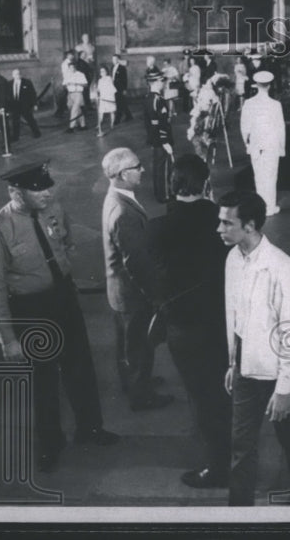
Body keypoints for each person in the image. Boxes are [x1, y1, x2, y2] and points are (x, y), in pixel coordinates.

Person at [0, 162, 119, 473]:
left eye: (48, 186)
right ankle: (50, 443)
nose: (48, 192)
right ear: (15, 192)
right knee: (43, 379)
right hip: (31, 309)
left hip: (63, 298)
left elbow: (65, 239)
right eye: (38, 189)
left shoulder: (54, 208)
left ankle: (90, 429)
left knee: (80, 364)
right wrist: (8, 338)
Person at [218, 190, 290, 506]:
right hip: (246, 366)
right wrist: (234, 363)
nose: (219, 229)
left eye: (225, 223)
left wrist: (285, 388)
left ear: (248, 226)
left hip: (277, 371)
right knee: (241, 445)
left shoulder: (283, 269)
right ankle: (240, 514)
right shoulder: (233, 259)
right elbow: (237, 319)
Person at [147, 155, 232, 489]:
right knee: (221, 389)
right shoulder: (221, 219)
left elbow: (156, 278)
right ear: (206, 182)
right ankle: (230, 451)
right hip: (222, 319)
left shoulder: (158, 228)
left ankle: (217, 466)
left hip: (184, 325)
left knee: (200, 393)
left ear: (172, 185)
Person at [101, 148, 173, 411]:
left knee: (129, 343)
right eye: (137, 166)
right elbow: (136, 262)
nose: (142, 170)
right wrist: (156, 295)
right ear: (122, 174)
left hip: (119, 290)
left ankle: (133, 382)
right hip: (132, 293)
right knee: (139, 343)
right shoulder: (123, 212)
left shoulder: (116, 198)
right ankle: (141, 396)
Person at [239, 70, 286, 215]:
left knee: (258, 175)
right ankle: (270, 207)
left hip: (256, 144)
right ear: (269, 86)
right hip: (271, 144)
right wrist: (282, 147)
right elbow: (280, 128)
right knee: (271, 175)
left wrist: (247, 143)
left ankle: (261, 206)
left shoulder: (248, 103)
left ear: (256, 85)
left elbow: (244, 127)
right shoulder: (275, 105)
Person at [144, 70, 174, 203]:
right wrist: (165, 141)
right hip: (161, 140)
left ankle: (160, 193)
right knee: (164, 167)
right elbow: (157, 123)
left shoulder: (149, 98)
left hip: (155, 139)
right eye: (162, 81)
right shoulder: (156, 100)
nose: (163, 83)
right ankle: (165, 194)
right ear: (156, 82)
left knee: (158, 166)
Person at [6, 68, 42, 141]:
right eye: (15, 74)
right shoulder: (9, 83)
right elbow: (8, 95)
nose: (17, 75)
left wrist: (35, 104)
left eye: (18, 74)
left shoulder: (27, 82)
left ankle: (37, 132)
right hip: (14, 106)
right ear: (13, 75)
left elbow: (33, 93)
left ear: (20, 74)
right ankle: (15, 137)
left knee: (30, 119)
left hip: (25, 106)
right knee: (15, 122)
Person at [64, 61, 88, 133]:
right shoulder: (67, 75)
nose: (72, 69)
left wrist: (76, 84)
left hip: (78, 93)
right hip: (70, 94)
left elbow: (86, 85)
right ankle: (83, 125)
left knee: (74, 110)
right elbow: (64, 85)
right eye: (70, 67)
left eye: (73, 67)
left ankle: (71, 127)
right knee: (77, 109)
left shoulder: (80, 74)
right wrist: (67, 85)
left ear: (75, 67)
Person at [95, 64, 116, 137]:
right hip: (102, 97)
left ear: (106, 72)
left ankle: (112, 124)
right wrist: (96, 91)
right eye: (101, 71)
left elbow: (110, 87)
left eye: (103, 71)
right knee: (101, 112)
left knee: (111, 111)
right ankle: (99, 124)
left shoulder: (109, 78)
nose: (102, 73)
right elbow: (99, 88)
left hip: (109, 97)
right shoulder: (99, 80)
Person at [111, 54, 133, 123]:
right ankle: (129, 115)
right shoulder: (112, 67)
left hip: (120, 88)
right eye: (113, 59)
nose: (114, 61)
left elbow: (125, 79)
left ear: (118, 60)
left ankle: (117, 119)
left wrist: (124, 89)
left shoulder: (122, 68)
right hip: (114, 87)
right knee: (122, 102)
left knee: (119, 103)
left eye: (115, 59)